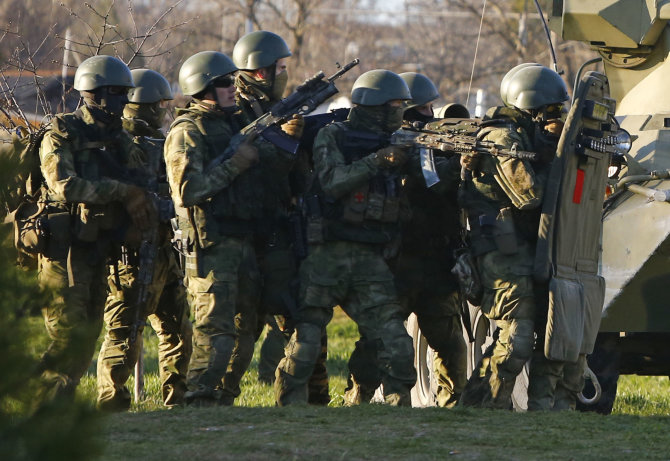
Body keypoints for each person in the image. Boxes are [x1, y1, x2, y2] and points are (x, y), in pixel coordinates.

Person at [164, 50, 300, 406]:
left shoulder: (231, 123)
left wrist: (289, 139)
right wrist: (234, 165)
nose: (231, 88)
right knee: (215, 327)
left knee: (247, 326)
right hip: (212, 245)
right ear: (204, 88)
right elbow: (188, 190)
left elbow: (268, 166)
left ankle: (223, 396)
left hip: (242, 241)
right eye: (223, 83)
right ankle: (198, 397)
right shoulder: (187, 131)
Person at [274, 69, 417, 406]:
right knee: (306, 341)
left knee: (395, 342)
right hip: (328, 254)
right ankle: (286, 411)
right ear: (375, 106)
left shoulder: (396, 141)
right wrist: (378, 161)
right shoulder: (333, 135)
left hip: (371, 258)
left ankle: (397, 417)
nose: (401, 111)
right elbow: (333, 182)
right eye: (396, 104)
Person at [344, 72, 467, 407]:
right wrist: (456, 167)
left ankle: (454, 402)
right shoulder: (392, 146)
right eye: (425, 109)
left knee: (450, 341)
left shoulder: (433, 146)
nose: (432, 115)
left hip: (435, 264)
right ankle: (359, 396)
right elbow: (433, 180)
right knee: (378, 340)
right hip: (396, 265)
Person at [37, 55, 154, 401]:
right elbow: (65, 185)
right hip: (64, 253)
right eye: (118, 93)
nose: (124, 101)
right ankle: (41, 406)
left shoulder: (121, 139)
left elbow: (140, 180)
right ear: (96, 93)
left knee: (87, 335)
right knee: (66, 337)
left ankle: (55, 408)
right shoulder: (62, 132)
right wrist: (121, 192)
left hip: (98, 249)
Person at [458, 64, 571, 410]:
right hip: (500, 247)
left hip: (533, 246)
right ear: (529, 107)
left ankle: (540, 412)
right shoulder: (501, 139)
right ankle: (483, 407)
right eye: (551, 111)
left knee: (553, 331)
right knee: (518, 337)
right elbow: (530, 195)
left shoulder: (532, 136)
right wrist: (555, 151)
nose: (557, 118)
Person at [230, 30, 329, 405]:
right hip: (249, 237)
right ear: (259, 72)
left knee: (304, 318)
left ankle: (308, 400)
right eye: (280, 68)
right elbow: (250, 169)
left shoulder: (280, 110)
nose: (285, 74)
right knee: (244, 328)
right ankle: (215, 400)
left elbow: (297, 175)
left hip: (286, 233)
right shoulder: (236, 115)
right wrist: (286, 141)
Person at [96, 68, 193, 411]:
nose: (163, 111)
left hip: (164, 251)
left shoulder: (160, 143)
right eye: (159, 104)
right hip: (133, 258)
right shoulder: (121, 146)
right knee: (125, 334)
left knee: (178, 331)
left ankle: (176, 401)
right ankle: (111, 404)